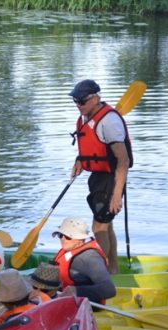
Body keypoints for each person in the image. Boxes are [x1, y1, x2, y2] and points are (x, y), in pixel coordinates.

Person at [69, 79, 132, 275]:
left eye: (82, 101)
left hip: (111, 177)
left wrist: (116, 194)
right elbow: (95, 146)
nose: (79, 105)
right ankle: (112, 269)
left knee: (99, 226)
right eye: (75, 101)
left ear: (96, 98)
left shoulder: (109, 122)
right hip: (98, 175)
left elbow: (123, 160)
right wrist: (81, 159)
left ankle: (98, 275)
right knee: (106, 223)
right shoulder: (87, 117)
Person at [52, 217, 116, 305]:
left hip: (85, 306)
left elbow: (109, 289)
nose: (62, 239)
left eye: (68, 236)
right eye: (60, 235)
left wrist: (77, 290)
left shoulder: (90, 257)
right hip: (61, 298)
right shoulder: (67, 250)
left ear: (80, 239)